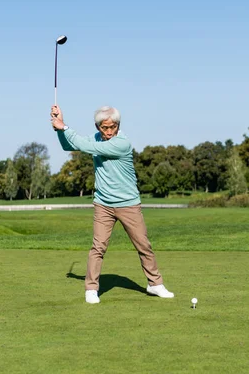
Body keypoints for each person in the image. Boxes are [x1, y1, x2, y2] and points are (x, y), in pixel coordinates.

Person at [50, 104, 174, 304]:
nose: (109, 132)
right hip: (103, 204)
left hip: (128, 204)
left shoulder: (122, 143)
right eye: (104, 128)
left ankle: (155, 284)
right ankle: (91, 289)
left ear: (118, 125)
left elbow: (87, 147)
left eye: (113, 127)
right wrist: (59, 130)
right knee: (98, 247)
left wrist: (64, 126)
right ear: (98, 127)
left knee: (143, 245)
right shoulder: (96, 138)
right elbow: (69, 146)